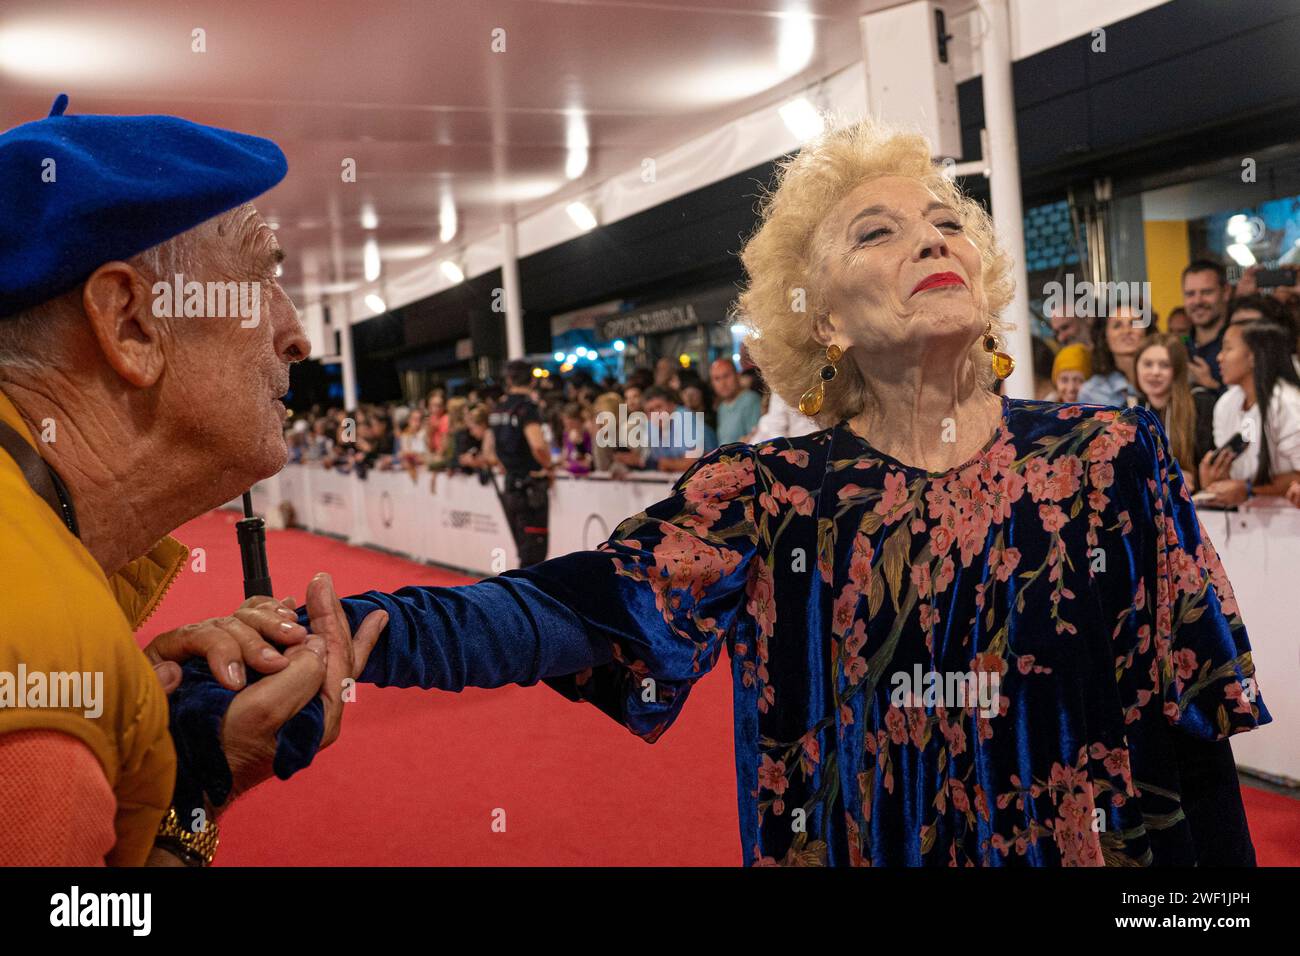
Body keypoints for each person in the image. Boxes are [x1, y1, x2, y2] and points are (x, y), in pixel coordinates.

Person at [204, 119, 1270, 867]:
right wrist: (368, 626)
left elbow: (1192, 713)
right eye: (876, 231)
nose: (930, 238)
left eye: (944, 218)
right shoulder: (766, 493)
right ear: (825, 323)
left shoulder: (1107, 454)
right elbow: (569, 607)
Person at [0, 96, 384, 865]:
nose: (297, 335)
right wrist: (194, 787)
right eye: (261, 277)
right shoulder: (38, 675)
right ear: (131, 324)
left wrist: (158, 724)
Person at [1198, 321, 1300, 506]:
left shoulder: (1287, 403)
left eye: (1228, 349)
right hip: (1244, 524)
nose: (1220, 357)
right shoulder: (1226, 403)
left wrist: (1249, 489)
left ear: (1253, 357)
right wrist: (1214, 479)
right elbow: (1232, 480)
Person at [484, 360, 553, 566]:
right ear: (532, 380)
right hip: (530, 489)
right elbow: (538, 446)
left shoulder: (497, 410)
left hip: (509, 487)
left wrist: (505, 462)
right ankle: (525, 595)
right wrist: (548, 466)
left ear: (508, 380)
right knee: (534, 554)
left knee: (524, 549)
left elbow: (487, 451)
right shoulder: (526, 408)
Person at [1133, 333, 1208, 490]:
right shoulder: (1130, 411)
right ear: (1137, 368)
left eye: (1164, 365)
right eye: (1147, 364)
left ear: (1178, 369)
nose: (1155, 372)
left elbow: (1209, 466)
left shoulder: (1200, 403)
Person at [1182, 259, 1231, 394]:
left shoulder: (1242, 345)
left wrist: (1211, 385)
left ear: (1226, 292)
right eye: (1190, 294)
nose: (1198, 301)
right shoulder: (1180, 349)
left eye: (1207, 292)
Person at [1077, 307, 1143, 407]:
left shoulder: (1163, 380)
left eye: (1133, 323)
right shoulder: (1092, 392)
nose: (1126, 331)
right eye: (1117, 326)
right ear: (1104, 337)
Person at [711, 357, 762, 444]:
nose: (722, 383)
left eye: (726, 376)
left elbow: (756, 441)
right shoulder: (722, 407)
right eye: (717, 378)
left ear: (737, 375)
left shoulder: (750, 400)